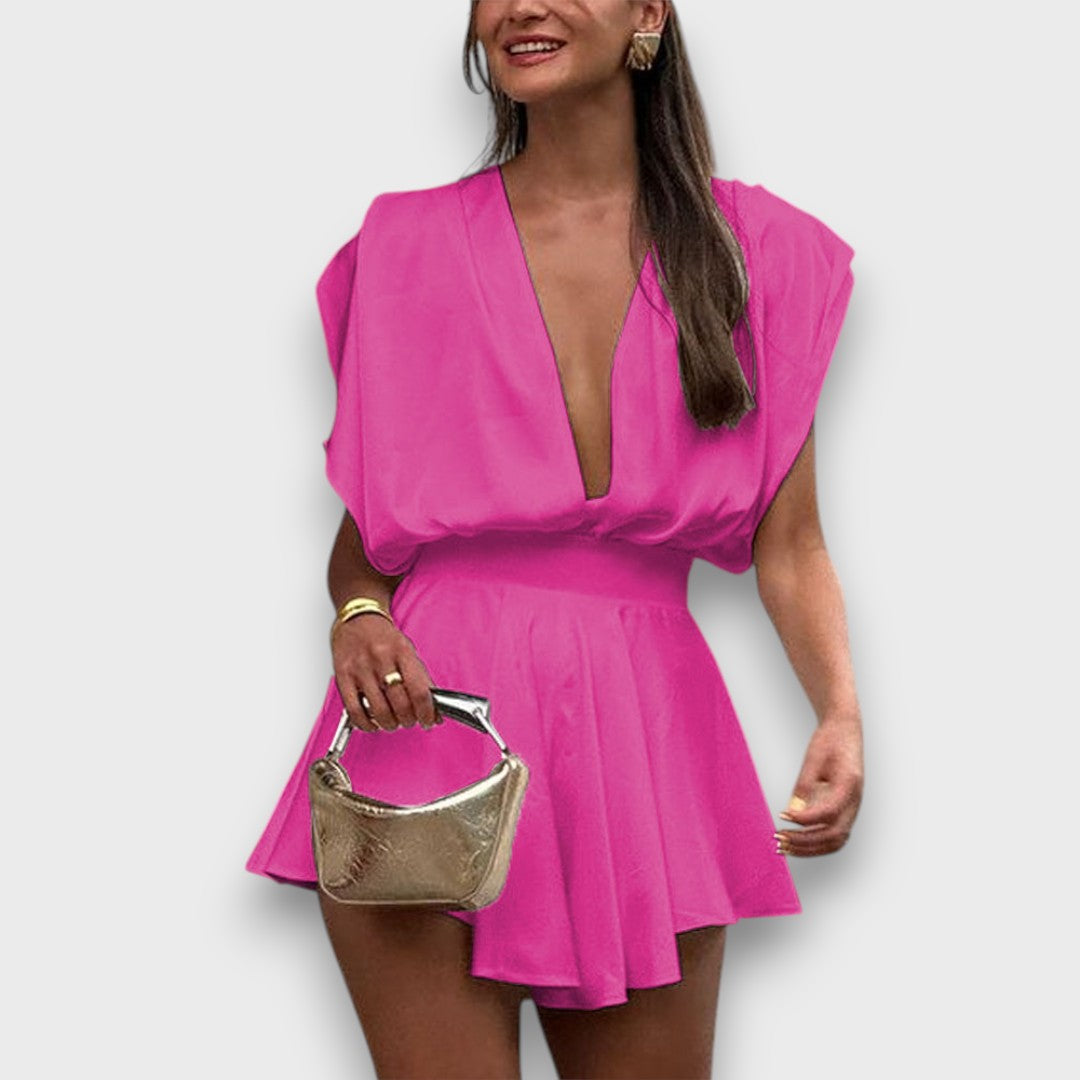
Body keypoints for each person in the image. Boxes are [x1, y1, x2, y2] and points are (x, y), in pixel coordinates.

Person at [246, 2, 865, 1076]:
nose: (521, 5)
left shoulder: (759, 253)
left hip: (645, 737)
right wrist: (359, 614)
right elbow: (371, 536)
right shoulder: (402, 246)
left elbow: (792, 542)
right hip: (427, 727)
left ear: (648, 14)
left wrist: (840, 710)